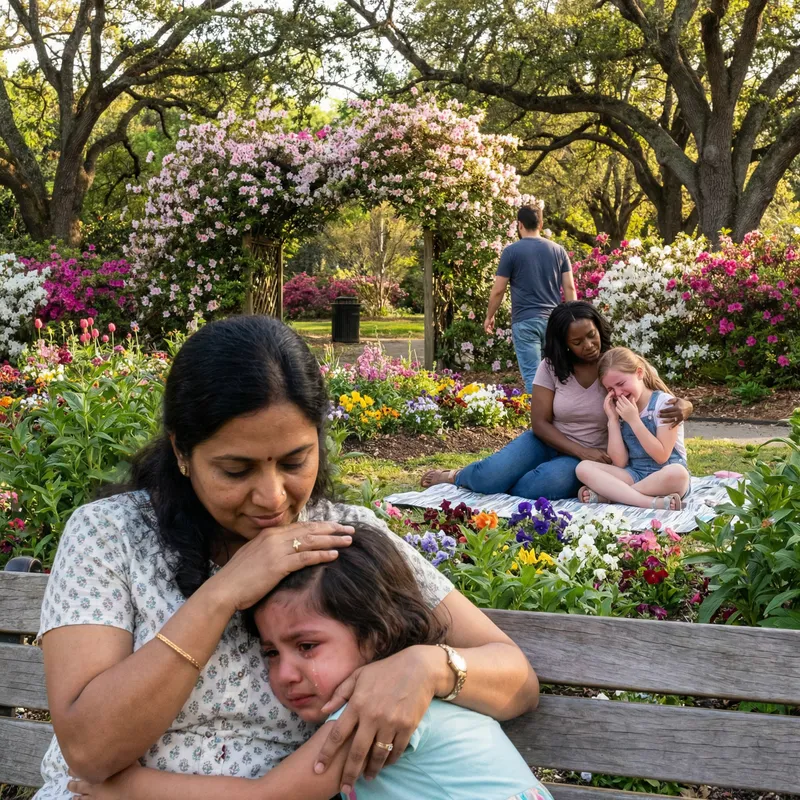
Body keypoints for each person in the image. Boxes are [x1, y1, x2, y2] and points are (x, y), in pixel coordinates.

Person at [37, 316, 539, 800]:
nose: (273, 497)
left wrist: (428, 667)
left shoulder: (343, 537)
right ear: (182, 452)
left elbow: (515, 678)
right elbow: (89, 752)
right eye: (237, 470)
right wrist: (224, 593)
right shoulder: (110, 535)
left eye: (296, 461)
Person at [68, 523, 551, 800]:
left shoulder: (381, 710)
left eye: (307, 647)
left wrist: (129, 786)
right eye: (272, 653)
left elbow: (265, 799)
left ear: (377, 635)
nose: (285, 674)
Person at [422, 302, 693, 500]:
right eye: (577, 341)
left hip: (593, 455)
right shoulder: (551, 366)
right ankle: (456, 475)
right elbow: (539, 423)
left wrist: (685, 406)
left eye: (591, 334)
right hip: (547, 441)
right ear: (564, 344)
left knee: (536, 489)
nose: (588, 345)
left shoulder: (614, 365)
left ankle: (500, 486)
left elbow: (658, 392)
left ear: (599, 328)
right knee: (488, 476)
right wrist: (579, 451)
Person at [576, 347, 691, 511]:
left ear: (639, 373)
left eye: (621, 384)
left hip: (665, 475)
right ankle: (649, 502)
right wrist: (613, 420)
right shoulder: (620, 409)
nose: (618, 393)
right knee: (583, 468)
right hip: (635, 474)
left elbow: (662, 455)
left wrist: (634, 420)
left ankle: (612, 496)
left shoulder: (665, 404)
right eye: (610, 389)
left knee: (678, 474)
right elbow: (619, 462)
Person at [484, 203, 577, 392]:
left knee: (533, 378)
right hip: (553, 322)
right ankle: (557, 419)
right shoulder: (558, 250)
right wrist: (573, 320)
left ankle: (538, 420)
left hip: (525, 322)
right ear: (541, 224)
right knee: (557, 375)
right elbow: (569, 288)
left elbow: (498, 290)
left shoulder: (511, 252)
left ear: (519, 225)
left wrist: (489, 316)